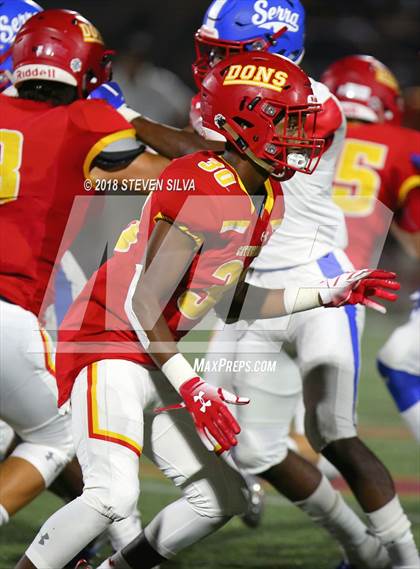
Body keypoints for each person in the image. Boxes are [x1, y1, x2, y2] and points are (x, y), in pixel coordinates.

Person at [15, 49, 399, 569]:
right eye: (287, 121)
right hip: (108, 341)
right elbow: (143, 300)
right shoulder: (199, 180)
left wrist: (323, 294)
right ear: (241, 123)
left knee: (224, 499)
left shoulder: (266, 196)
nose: (303, 135)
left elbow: (233, 300)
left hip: (152, 351)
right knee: (111, 497)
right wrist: (194, 388)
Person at [189, 3, 419, 569]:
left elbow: (217, 150)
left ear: (267, 48)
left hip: (320, 285)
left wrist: (125, 120)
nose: (214, 60)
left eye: (226, 49)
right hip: (253, 297)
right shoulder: (231, 99)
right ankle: (362, 548)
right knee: (257, 449)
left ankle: (408, 558)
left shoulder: (318, 105)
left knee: (332, 431)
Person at [0, 4, 167, 536]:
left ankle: (103, 542)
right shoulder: (82, 119)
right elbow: (167, 176)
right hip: (11, 308)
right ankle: (116, 541)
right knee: (57, 436)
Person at [321, 54, 420, 446]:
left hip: (280, 285)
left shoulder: (303, 136)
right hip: (345, 293)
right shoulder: (403, 144)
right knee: (332, 427)